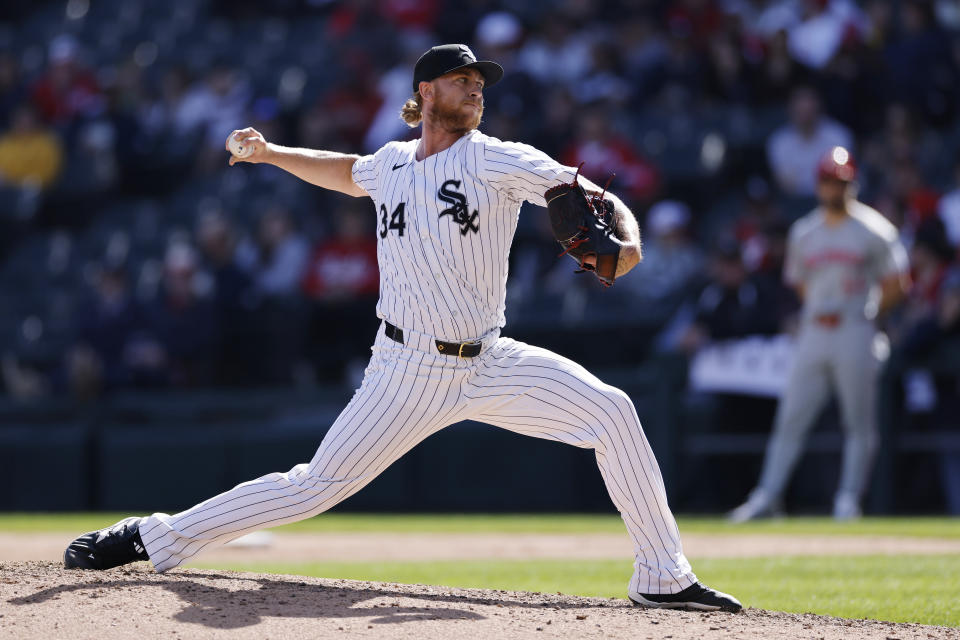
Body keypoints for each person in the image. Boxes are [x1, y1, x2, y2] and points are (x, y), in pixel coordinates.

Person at [62, 44, 741, 613]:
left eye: (480, 83)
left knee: (614, 412)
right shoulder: (389, 163)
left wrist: (628, 238)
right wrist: (270, 153)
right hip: (405, 370)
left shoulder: (495, 158)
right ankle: (157, 537)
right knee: (313, 486)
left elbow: (588, 193)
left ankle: (662, 576)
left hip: (489, 360)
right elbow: (344, 173)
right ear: (426, 90)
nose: (476, 90)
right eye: (462, 80)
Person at [730, 146, 910, 522]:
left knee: (858, 422)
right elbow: (798, 284)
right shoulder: (805, 231)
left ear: (853, 183)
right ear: (818, 185)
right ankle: (767, 496)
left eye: (841, 182)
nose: (834, 188)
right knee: (792, 417)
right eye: (829, 181)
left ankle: (847, 500)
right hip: (815, 330)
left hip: (855, 327)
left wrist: (872, 312)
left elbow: (897, 283)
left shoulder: (874, 229)